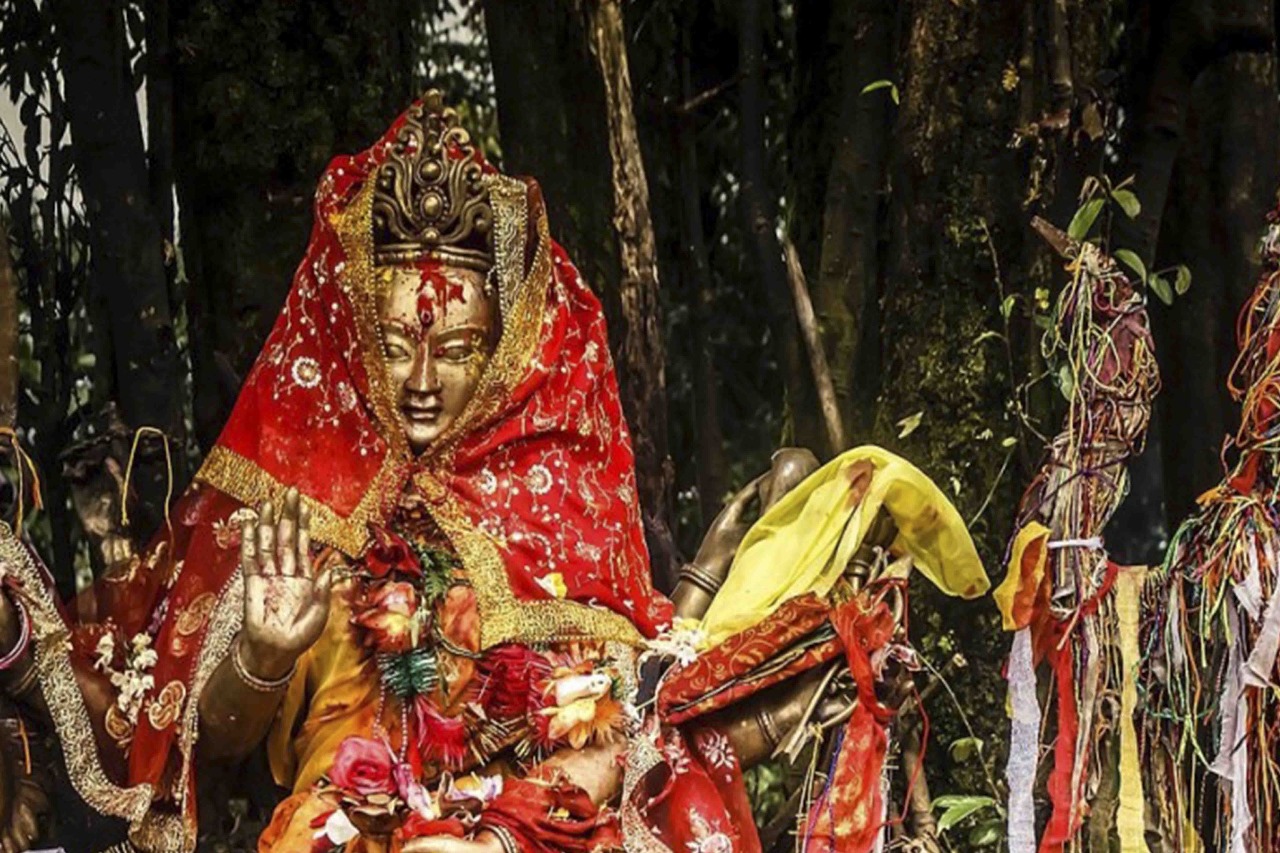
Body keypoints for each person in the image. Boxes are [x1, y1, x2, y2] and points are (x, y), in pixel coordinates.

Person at [0, 92, 987, 853]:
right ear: (359, 340)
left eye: (456, 348)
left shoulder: (553, 491)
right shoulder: (303, 497)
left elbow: (611, 710)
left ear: (506, 350)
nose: (423, 383)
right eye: (397, 347)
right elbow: (207, 741)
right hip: (346, 817)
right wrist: (262, 651)